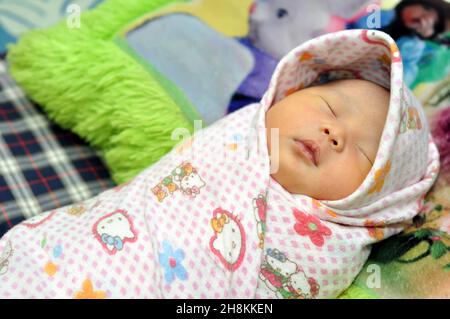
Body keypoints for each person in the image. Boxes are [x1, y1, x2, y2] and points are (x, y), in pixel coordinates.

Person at [0, 29, 439, 299]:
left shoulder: (333, 247)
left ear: (376, 202)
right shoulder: (241, 131)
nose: (334, 132)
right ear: (290, 90)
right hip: (60, 251)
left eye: (368, 152)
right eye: (329, 105)